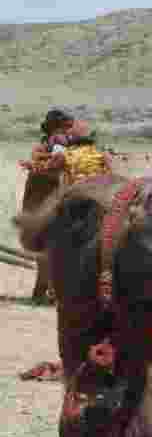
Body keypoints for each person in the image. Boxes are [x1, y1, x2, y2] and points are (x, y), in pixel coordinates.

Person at [19, 109, 77, 303]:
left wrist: (36, 163)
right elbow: (58, 165)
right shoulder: (58, 141)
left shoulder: (47, 143)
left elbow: (54, 165)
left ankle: (42, 290)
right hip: (46, 198)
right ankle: (47, 290)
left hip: (36, 196)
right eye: (68, 126)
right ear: (58, 126)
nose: (70, 131)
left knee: (42, 245)